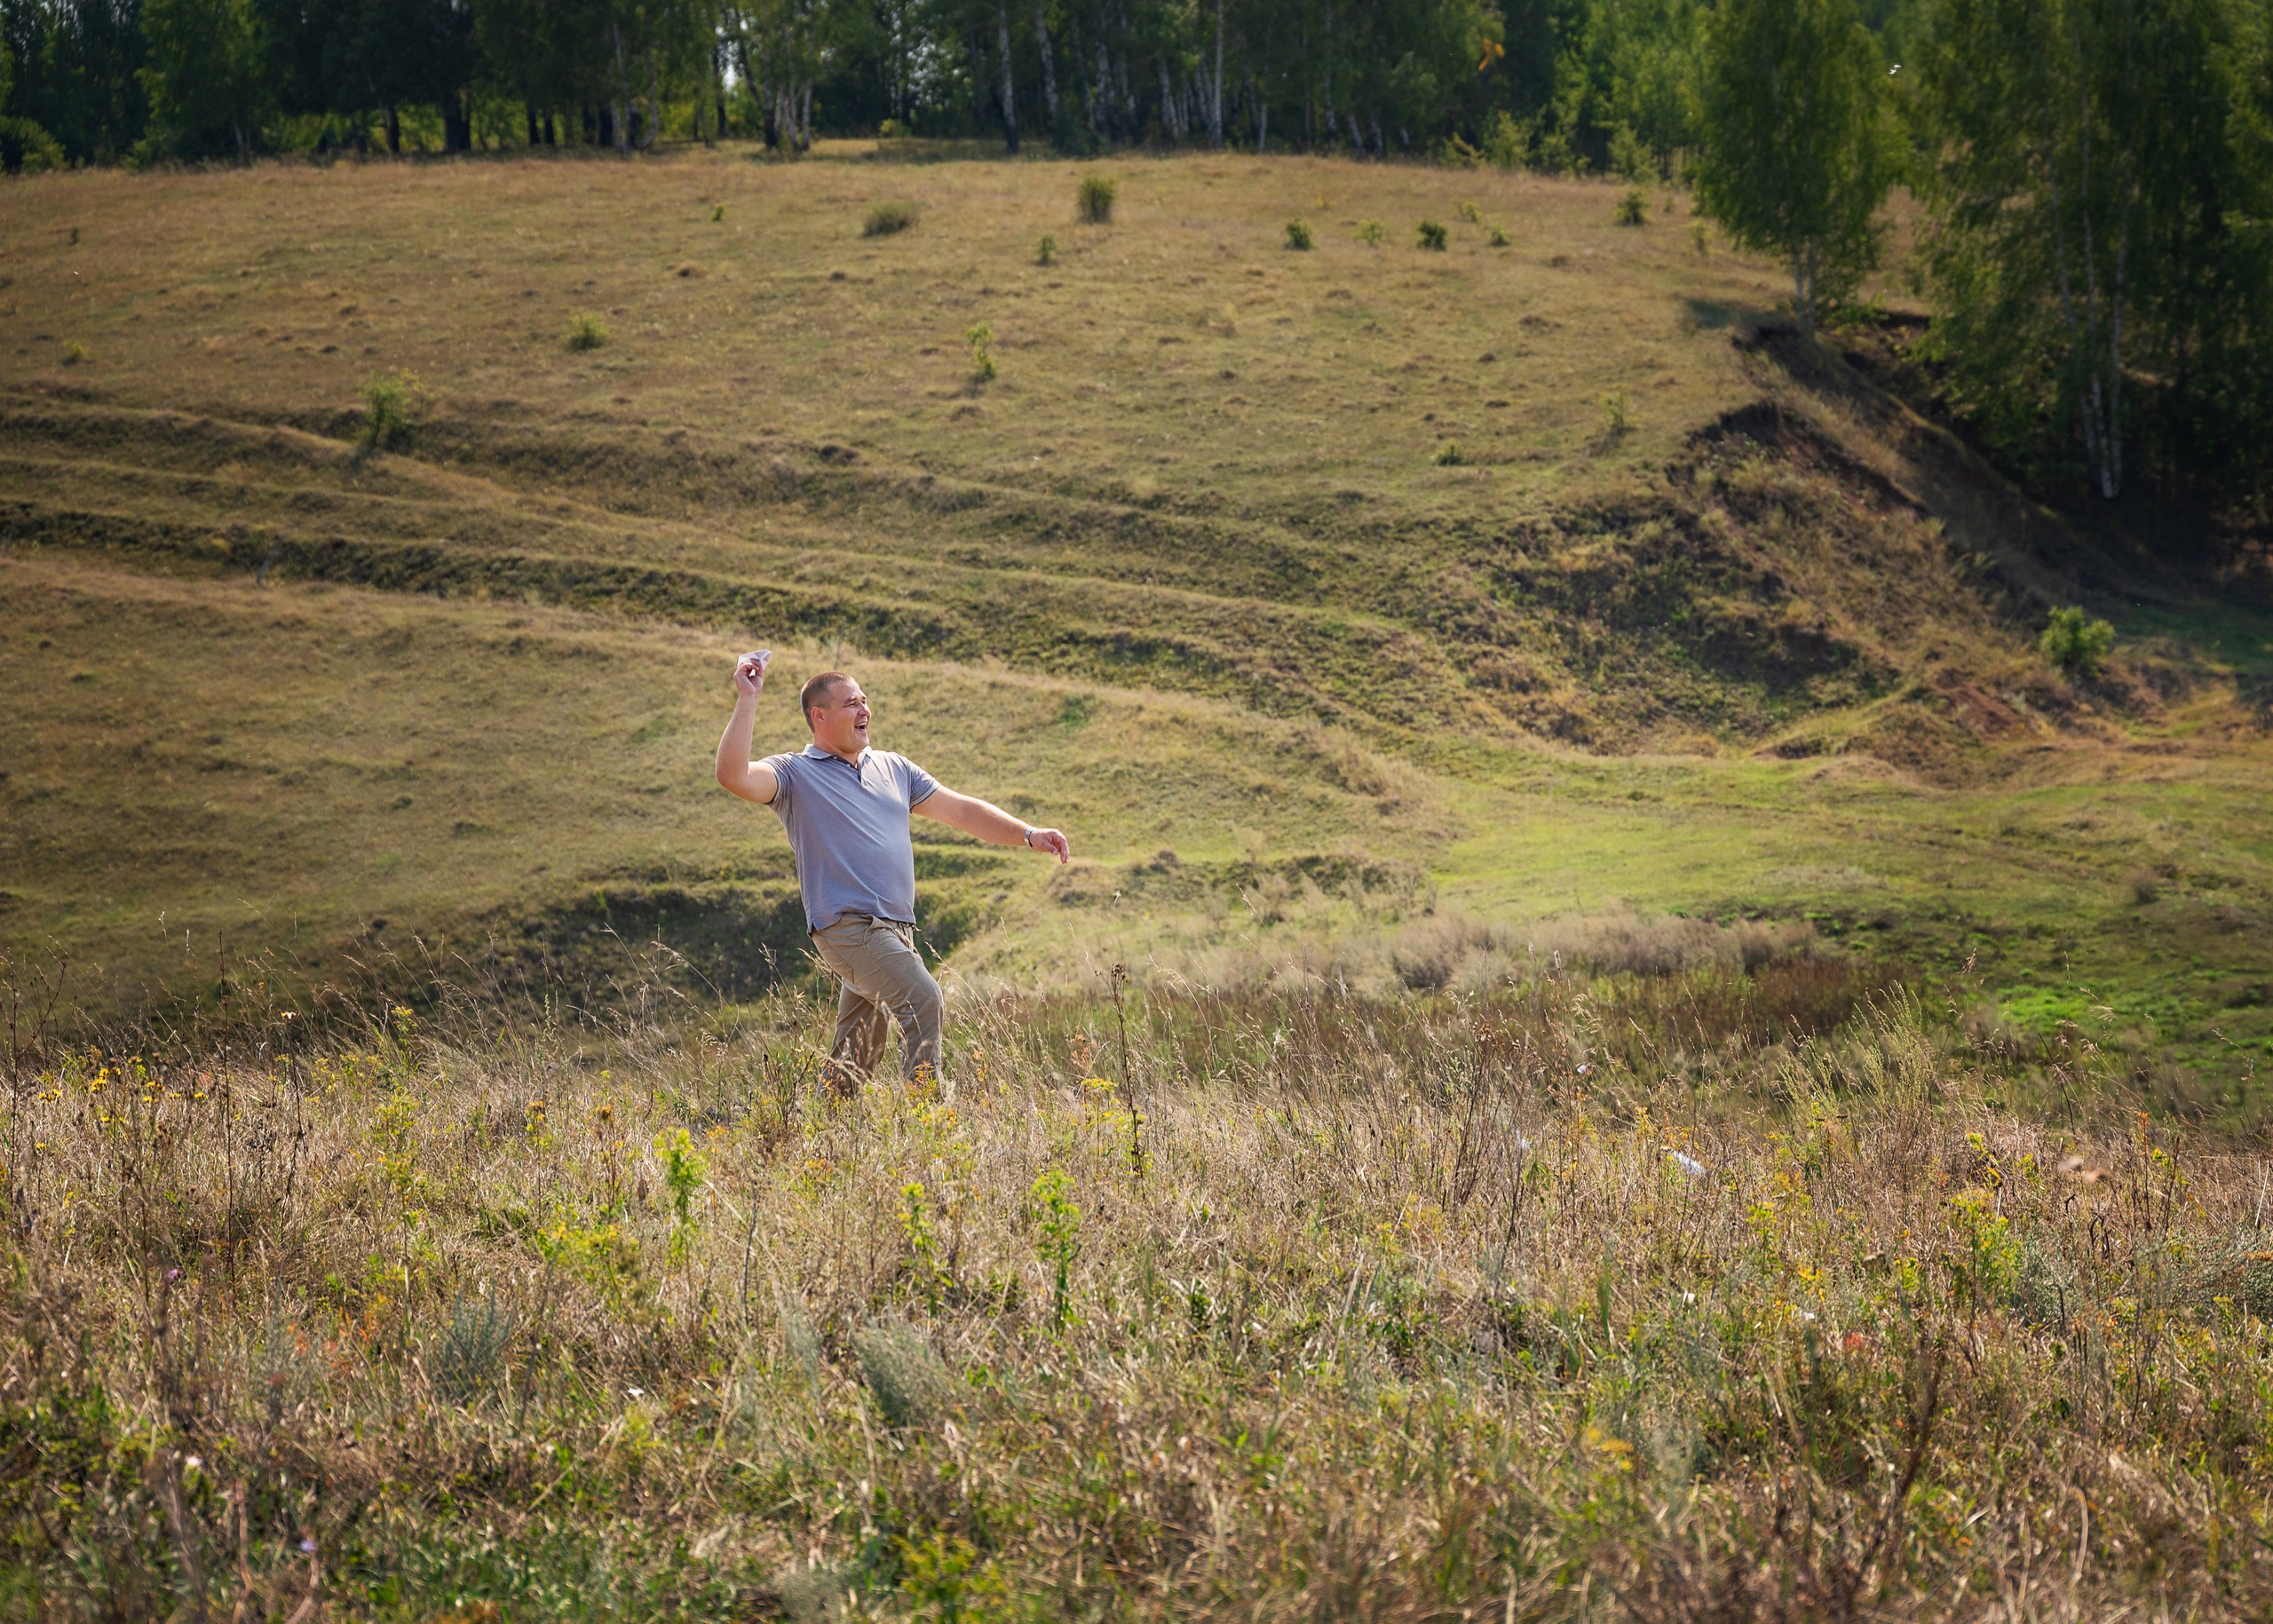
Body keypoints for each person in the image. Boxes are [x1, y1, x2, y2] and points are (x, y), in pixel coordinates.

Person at [714, 650, 1070, 1089]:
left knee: (857, 1053)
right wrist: (748, 698)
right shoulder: (793, 774)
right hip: (848, 927)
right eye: (851, 703)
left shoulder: (894, 768)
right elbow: (733, 776)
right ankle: (929, 1122)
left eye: (864, 700)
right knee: (923, 998)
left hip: (894, 929)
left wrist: (1028, 833)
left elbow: (962, 811)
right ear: (819, 716)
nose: (864, 710)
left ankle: (829, 1131)